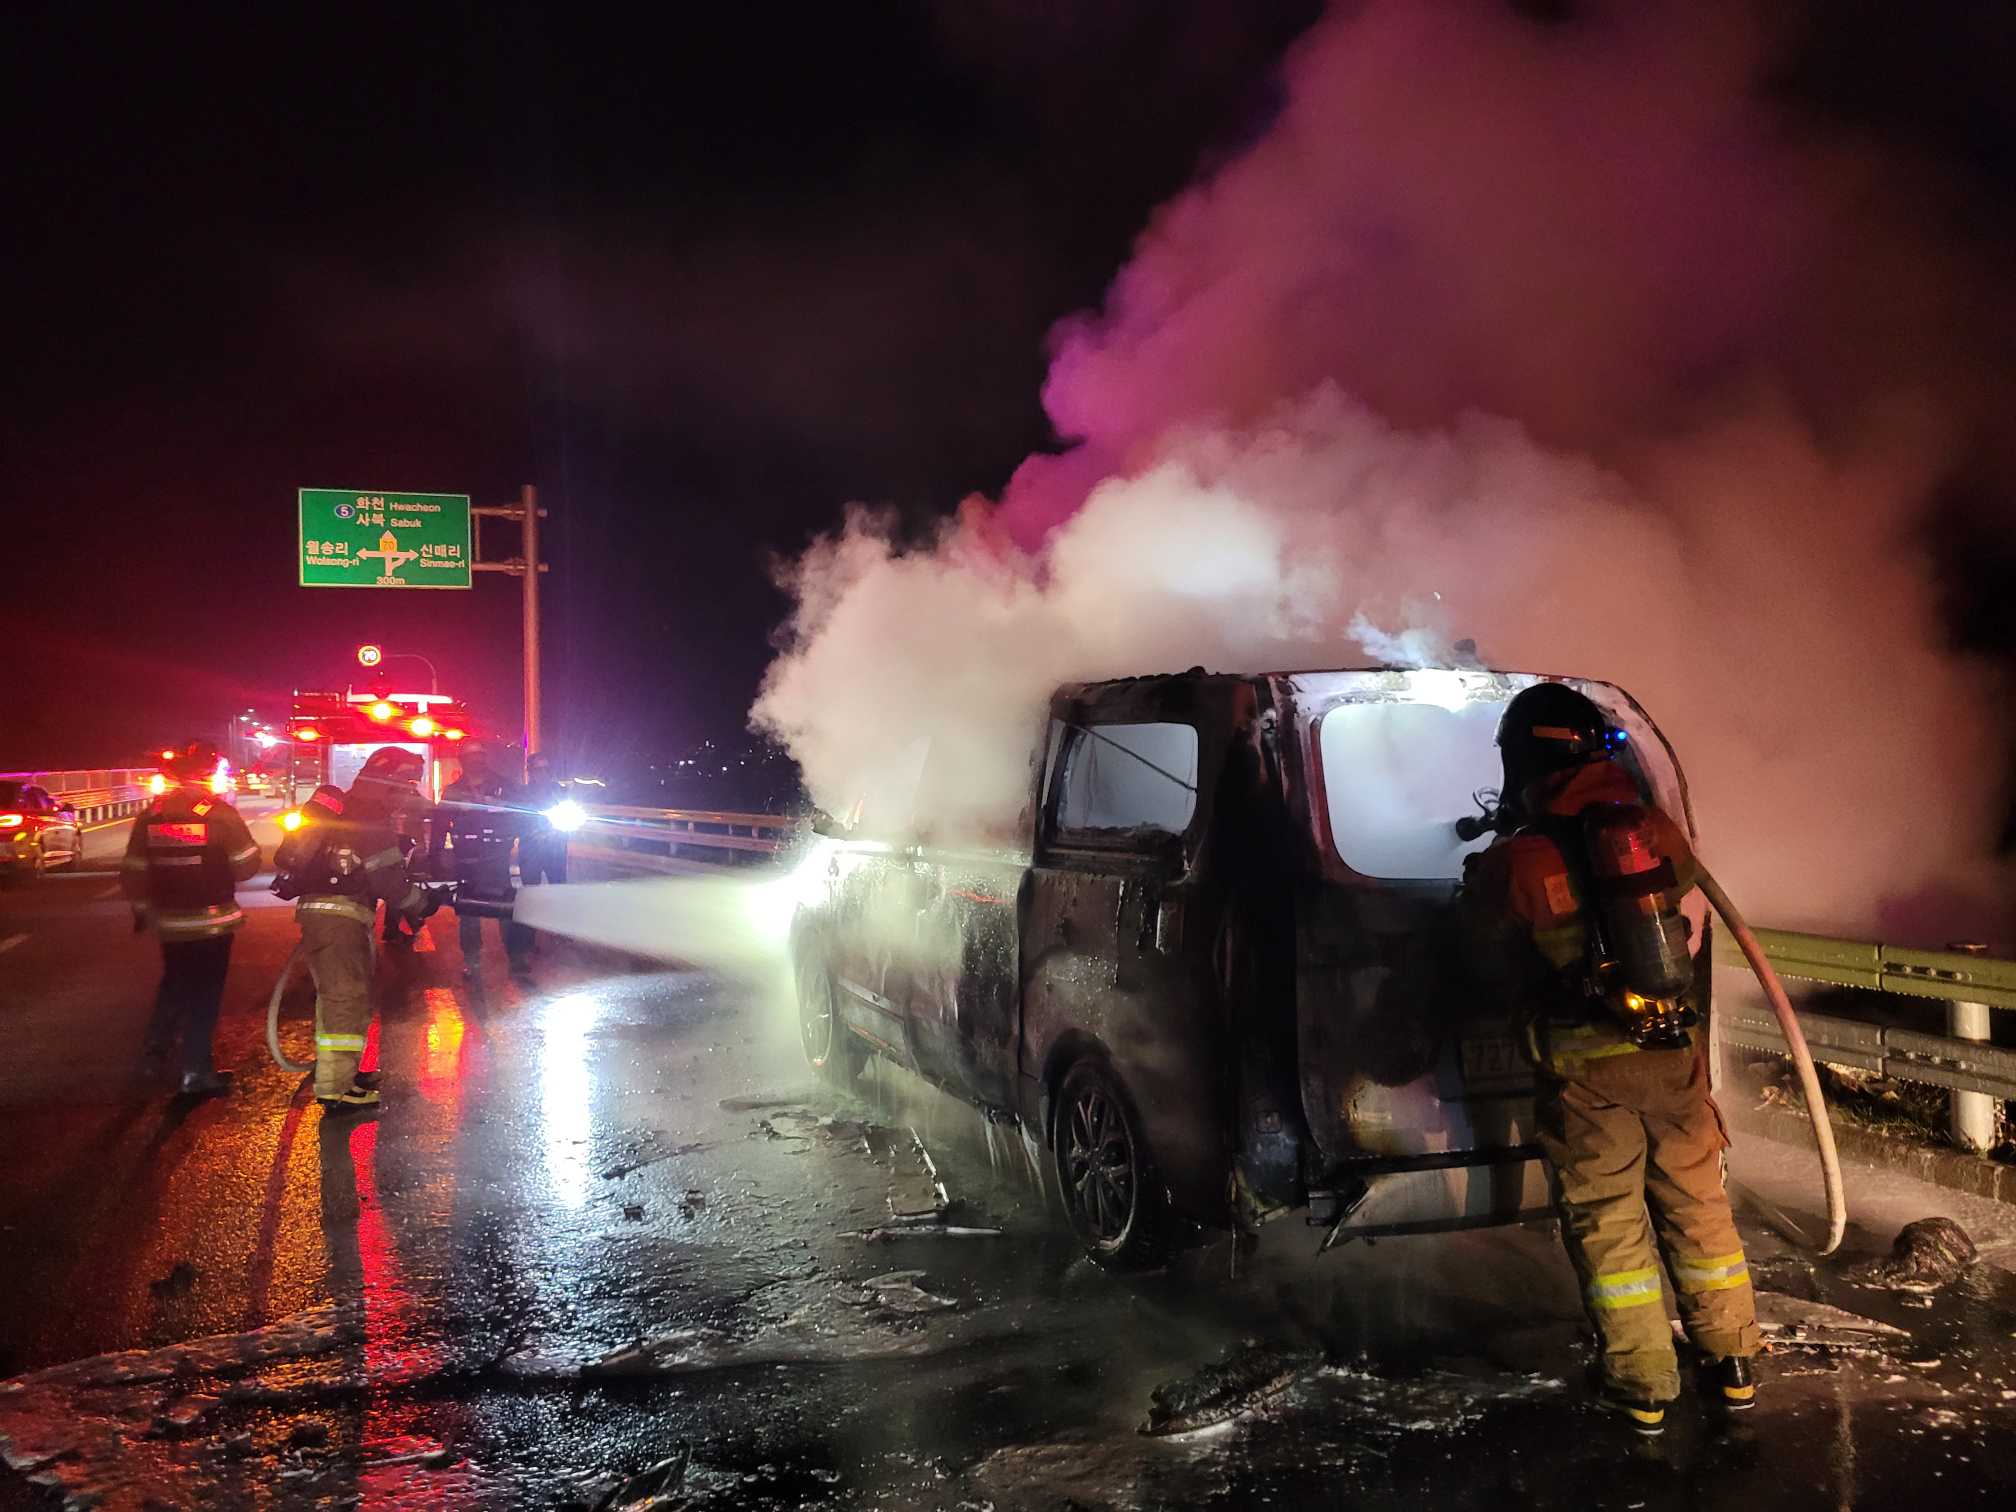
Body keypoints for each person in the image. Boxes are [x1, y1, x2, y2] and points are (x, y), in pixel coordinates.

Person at [1462, 683, 1759, 1435]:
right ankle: (1732, 1362)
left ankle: (1642, 1384)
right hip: (1670, 1053)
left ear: (1522, 760)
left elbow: (1482, 957)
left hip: (1586, 1072)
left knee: (1610, 1224)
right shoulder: (1649, 829)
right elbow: (1683, 886)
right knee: (1698, 1206)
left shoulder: (1518, 861)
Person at [275, 747, 432, 1113]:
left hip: (335, 917)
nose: (409, 793)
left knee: (346, 996)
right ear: (391, 783)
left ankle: (344, 1074)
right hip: (340, 919)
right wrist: (422, 903)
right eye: (407, 784)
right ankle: (336, 1088)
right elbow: (387, 882)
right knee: (344, 997)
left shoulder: (351, 807)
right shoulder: (370, 817)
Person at [122, 741, 263, 1096]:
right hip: (212, 923)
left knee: (174, 982)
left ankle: (155, 1052)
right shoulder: (218, 813)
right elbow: (246, 866)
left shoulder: (151, 815)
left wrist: (142, 910)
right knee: (205, 994)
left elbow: (134, 869)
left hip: (169, 923)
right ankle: (195, 1072)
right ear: (209, 773)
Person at [439, 743, 532, 978]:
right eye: (470, 757)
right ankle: (472, 960)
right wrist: (436, 854)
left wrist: (514, 836)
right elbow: (440, 822)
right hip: (467, 859)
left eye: (478, 756)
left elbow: (521, 815)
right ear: (463, 760)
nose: (475, 761)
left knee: (505, 907)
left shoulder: (504, 786)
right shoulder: (453, 791)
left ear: (484, 758)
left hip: (496, 857)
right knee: (469, 910)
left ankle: (517, 957)